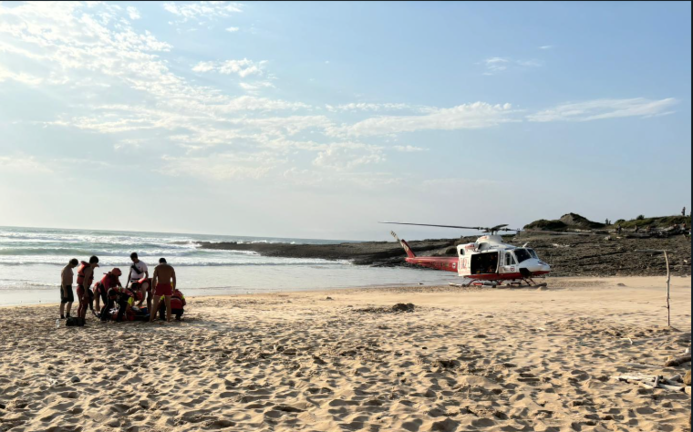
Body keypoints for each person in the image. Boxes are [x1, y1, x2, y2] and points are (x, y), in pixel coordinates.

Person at [150, 258, 176, 322]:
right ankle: (168, 319)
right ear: (165, 262)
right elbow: (174, 279)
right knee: (168, 304)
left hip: (160, 286)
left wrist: (152, 288)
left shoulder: (157, 267)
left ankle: (150, 319)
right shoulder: (171, 268)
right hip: (168, 286)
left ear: (159, 262)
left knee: (155, 304)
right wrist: (173, 288)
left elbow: (154, 279)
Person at [76, 256, 99, 320]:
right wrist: (86, 292)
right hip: (83, 288)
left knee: (81, 304)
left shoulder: (88, 268)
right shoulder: (89, 269)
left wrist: (94, 267)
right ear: (94, 262)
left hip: (79, 287)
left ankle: (79, 318)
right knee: (84, 305)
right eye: (96, 263)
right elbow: (85, 281)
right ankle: (81, 319)